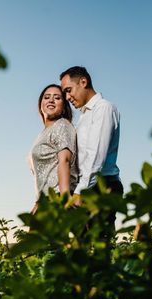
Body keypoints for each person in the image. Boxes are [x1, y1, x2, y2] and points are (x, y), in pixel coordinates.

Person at [59, 66, 122, 209]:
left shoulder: (104, 108)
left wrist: (81, 191)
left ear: (83, 82)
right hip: (88, 186)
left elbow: (95, 155)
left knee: (99, 232)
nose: (67, 97)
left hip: (102, 187)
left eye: (68, 90)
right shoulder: (84, 115)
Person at [28, 84, 78, 213]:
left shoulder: (62, 125)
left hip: (57, 200)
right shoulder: (42, 134)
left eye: (57, 98)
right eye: (46, 97)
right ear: (40, 104)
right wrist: (38, 202)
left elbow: (65, 161)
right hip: (45, 201)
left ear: (63, 107)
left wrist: (65, 199)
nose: (51, 100)